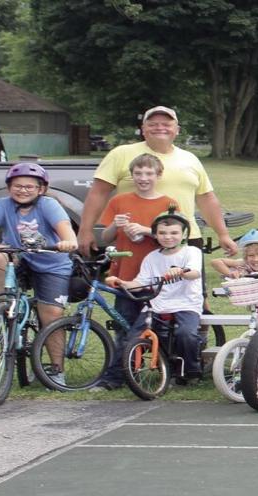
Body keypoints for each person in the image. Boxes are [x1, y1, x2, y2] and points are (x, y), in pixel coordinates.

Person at [0, 163, 78, 387]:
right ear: (9, 187)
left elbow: (65, 228)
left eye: (29, 186)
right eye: (17, 186)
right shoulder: (2, 205)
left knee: (51, 315)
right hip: (18, 259)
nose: (23, 190)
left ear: (41, 189)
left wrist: (68, 241)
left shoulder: (49, 205)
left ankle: (56, 370)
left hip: (51, 263)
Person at [79, 106, 235, 257]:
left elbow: (206, 199)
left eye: (166, 124)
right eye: (153, 124)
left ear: (177, 130)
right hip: (136, 239)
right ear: (143, 129)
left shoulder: (190, 158)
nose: (160, 128)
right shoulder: (121, 153)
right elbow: (98, 193)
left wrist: (223, 234)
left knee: (186, 276)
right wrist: (85, 231)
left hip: (184, 237)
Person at [93, 153, 178, 389]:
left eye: (149, 173)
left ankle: (163, 370)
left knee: (158, 326)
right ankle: (121, 375)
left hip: (157, 275)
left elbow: (175, 238)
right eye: (138, 173)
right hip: (126, 274)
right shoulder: (120, 201)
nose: (143, 178)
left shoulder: (168, 204)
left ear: (158, 175)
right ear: (132, 176)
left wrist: (146, 230)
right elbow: (105, 237)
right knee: (124, 326)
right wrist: (115, 225)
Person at [105, 209, 205, 385]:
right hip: (157, 304)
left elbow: (195, 273)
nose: (168, 237)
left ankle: (191, 371)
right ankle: (124, 374)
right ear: (156, 235)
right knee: (133, 336)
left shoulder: (191, 252)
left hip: (186, 304)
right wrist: (121, 283)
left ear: (184, 234)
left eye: (174, 233)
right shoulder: (152, 257)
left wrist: (181, 271)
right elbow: (140, 283)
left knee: (186, 334)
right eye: (162, 233)